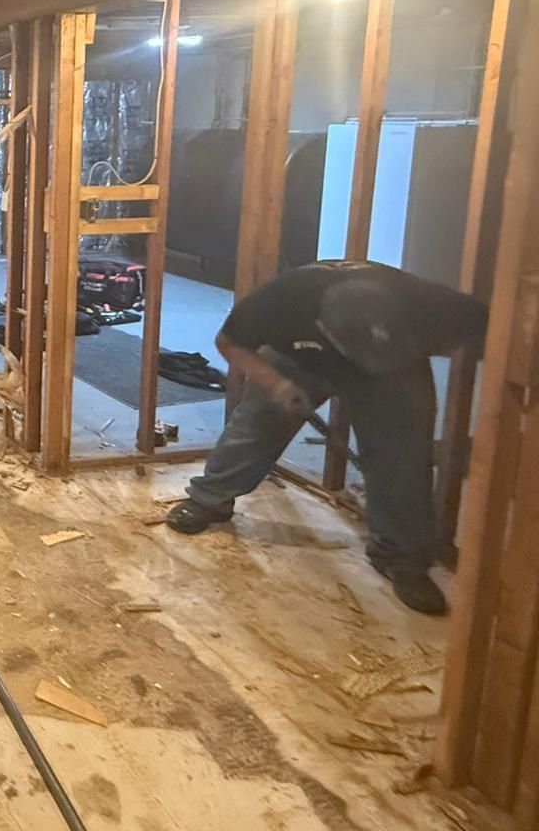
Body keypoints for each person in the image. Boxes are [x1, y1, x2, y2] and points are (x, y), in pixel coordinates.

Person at [165, 260, 487, 616]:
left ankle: (402, 556)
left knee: (403, 453)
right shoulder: (285, 300)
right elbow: (228, 343)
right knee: (258, 421)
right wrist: (277, 384)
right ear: (322, 326)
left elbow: (505, 339)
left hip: (392, 367)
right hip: (300, 359)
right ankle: (210, 498)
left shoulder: (427, 303)